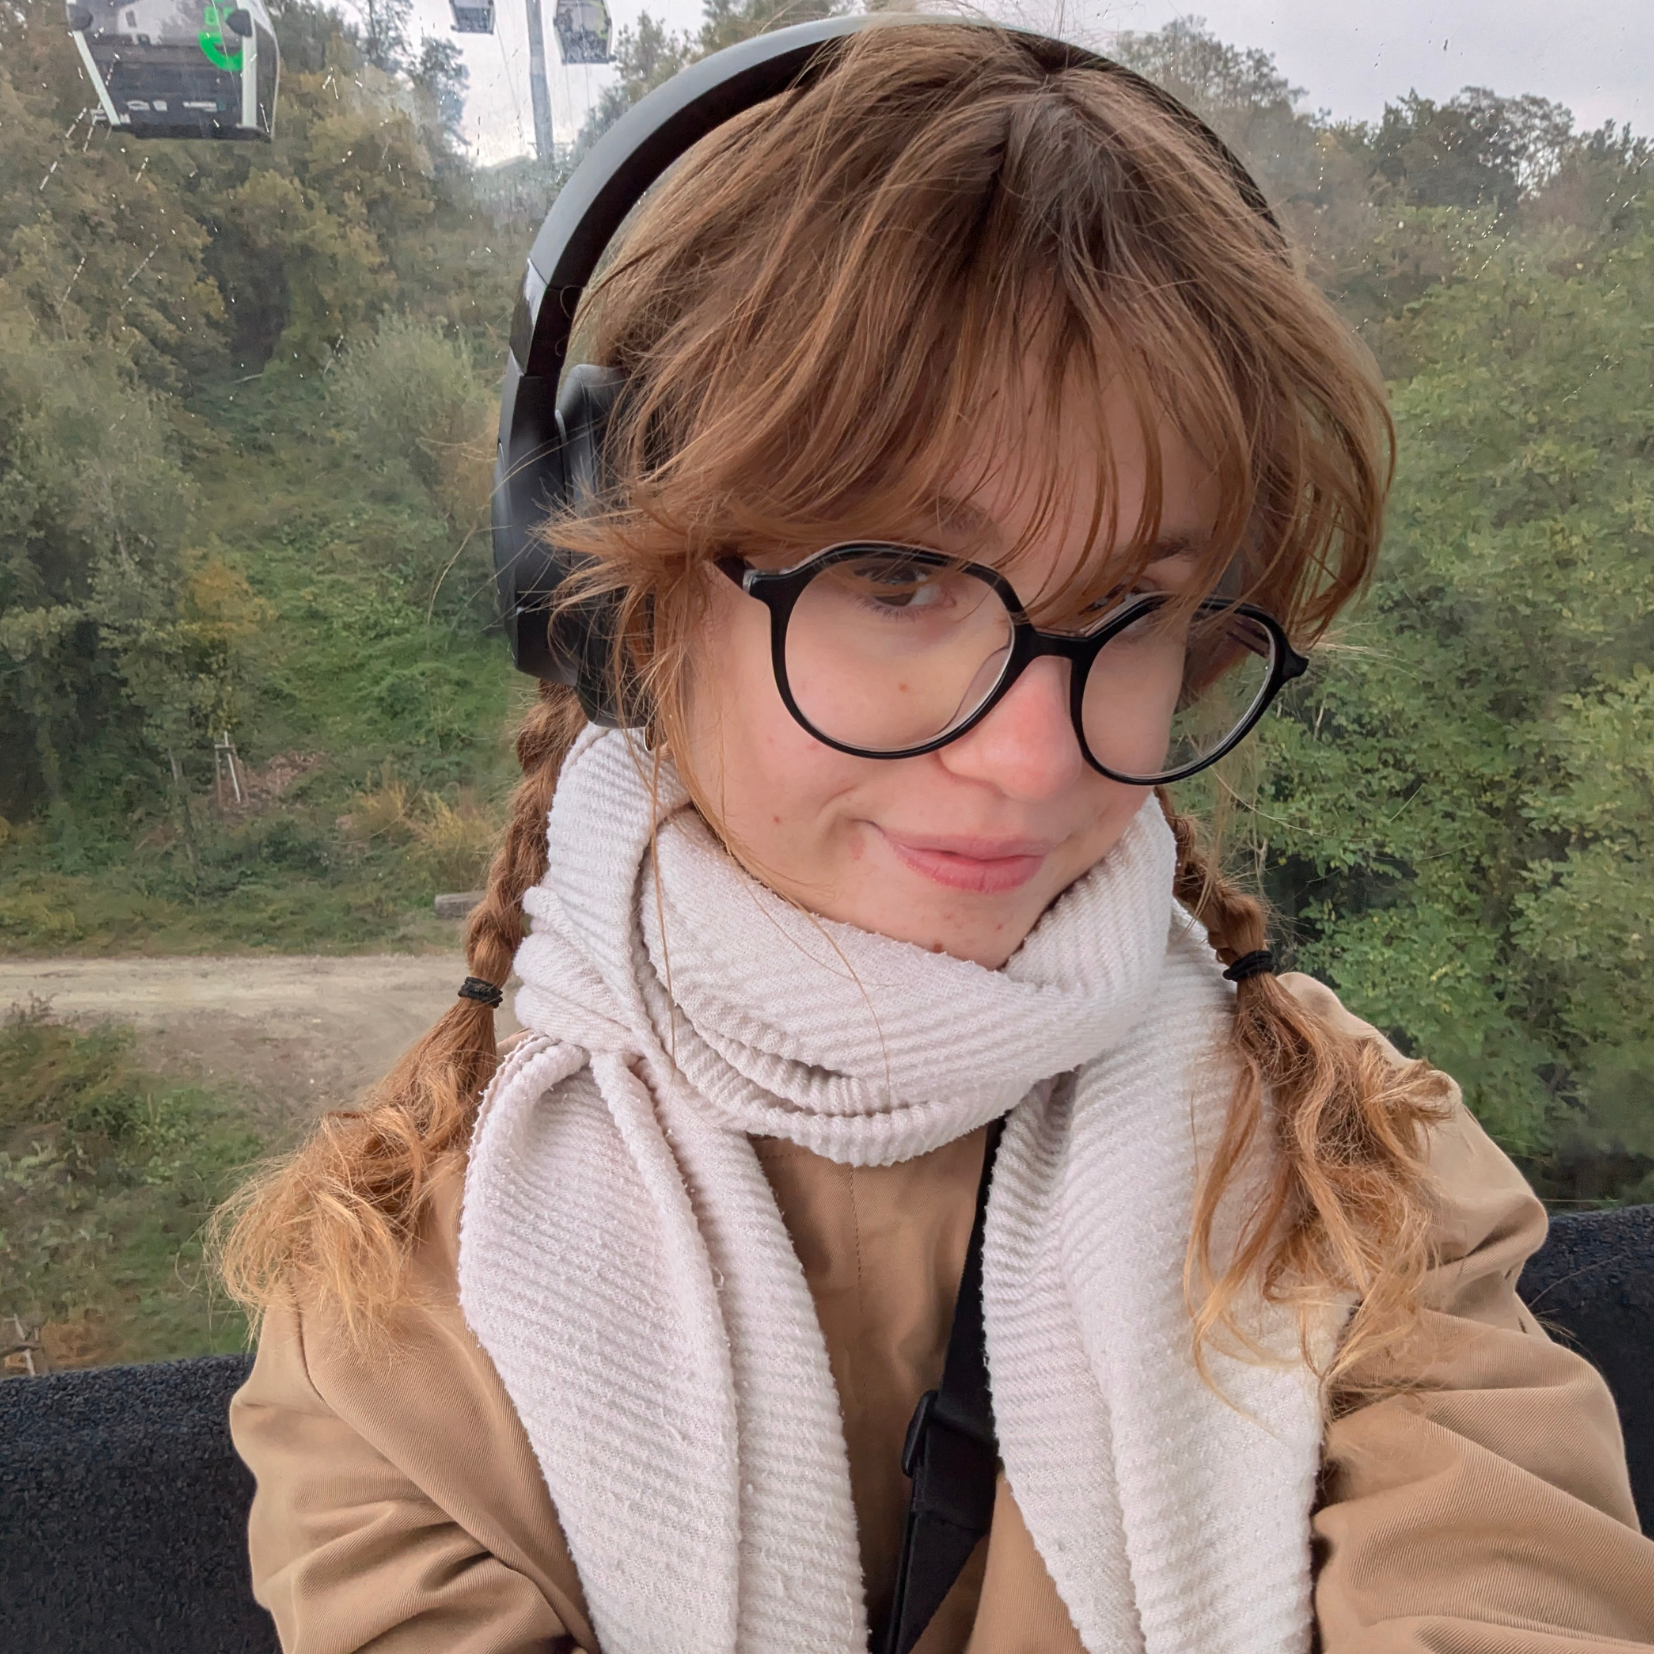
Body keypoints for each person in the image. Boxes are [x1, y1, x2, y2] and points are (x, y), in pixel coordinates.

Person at [217, 18, 1654, 1654]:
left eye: (1128, 607)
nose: (1031, 757)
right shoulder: (396, 1296)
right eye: (895, 575)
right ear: (620, 588)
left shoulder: (1356, 1172)